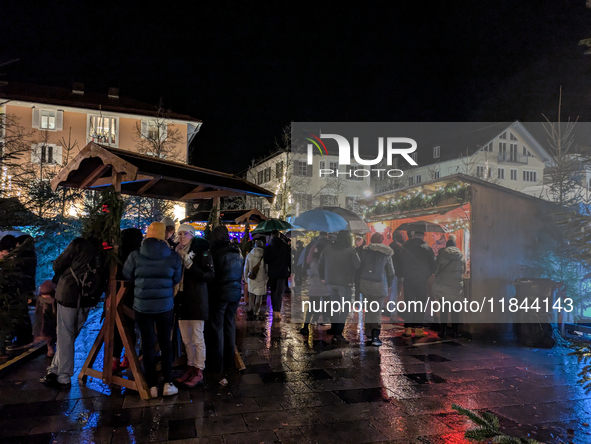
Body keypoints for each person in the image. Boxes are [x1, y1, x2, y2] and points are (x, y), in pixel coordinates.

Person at [122, 222, 182, 398]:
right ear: (164, 235)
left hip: (142, 306)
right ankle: (169, 383)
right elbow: (176, 278)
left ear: (148, 235)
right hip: (165, 306)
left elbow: (127, 275)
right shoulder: (172, 256)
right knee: (165, 342)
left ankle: (152, 386)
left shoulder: (135, 255)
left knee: (147, 344)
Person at [40, 234, 106, 387]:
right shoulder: (101, 251)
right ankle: (54, 370)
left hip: (69, 294)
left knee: (65, 335)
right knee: (70, 335)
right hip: (88, 297)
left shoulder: (78, 244)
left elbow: (58, 264)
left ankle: (63, 375)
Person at [174, 224, 214, 387]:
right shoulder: (177, 253)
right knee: (186, 338)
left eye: (185, 234)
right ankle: (190, 366)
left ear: (192, 235)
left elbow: (208, 276)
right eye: (179, 234)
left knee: (197, 337)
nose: (181, 237)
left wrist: (191, 265)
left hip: (197, 300)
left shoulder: (202, 252)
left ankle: (199, 369)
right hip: (182, 299)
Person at [208, 225, 244, 374]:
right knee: (229, 325)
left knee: (217, 327)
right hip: (235, 292)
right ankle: (229, 361)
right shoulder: (237, 250)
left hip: (220, 292)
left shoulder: (215, 251)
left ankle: (217, 363)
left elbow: (212, 274)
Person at [319, 230, 361, 344]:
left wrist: (322, 277)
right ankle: (338, 334)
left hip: (330, 282)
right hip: (345, 283)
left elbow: (320, 262)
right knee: (344, 309)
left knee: (335, 307)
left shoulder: (328, 248)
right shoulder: (350, 250)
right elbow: (357, 265)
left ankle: (334, 329)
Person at [113, 228, 143, 371]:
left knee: (116, 326)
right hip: (134, 295)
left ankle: (114, 358)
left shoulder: (117, 255)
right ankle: (128, 357)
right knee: (130, 326)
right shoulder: (138, 255)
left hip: (118, 294)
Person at [359, 233, 395, 346]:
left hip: (365, 284)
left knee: (368, 310)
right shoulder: (386, 254)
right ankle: (375, 336)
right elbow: (391, 272)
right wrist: (388, 285)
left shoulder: (364, 252)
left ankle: (368, 334)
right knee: (376, 312)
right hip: (379, 285)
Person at [400, 231, 436, 338]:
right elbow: (433, 264)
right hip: (421, 279)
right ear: (423, 235)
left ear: (412, 234)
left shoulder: (404, 247)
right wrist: (427, 274)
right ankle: (419, 328)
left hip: (408, 278)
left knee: (409, 302)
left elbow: (400, 262)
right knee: (420, 302)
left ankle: (407, 328)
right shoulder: (427, 248)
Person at [5, 235, 37, 352]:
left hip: (22, 288)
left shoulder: (24, 257)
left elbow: (22, 274)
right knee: (21, 312)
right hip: (24, 288)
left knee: (21, 313)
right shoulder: (29, 255)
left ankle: (24, 339)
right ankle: (23, 338)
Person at [432, 235, 466, 338]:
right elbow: (463, 271)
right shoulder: (461, 256)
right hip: (456, 287)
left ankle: (444, 330)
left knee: (444, 309)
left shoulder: (442, 255)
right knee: (455, 310)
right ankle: (455, 332)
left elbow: (436, 269)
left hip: (443, 286)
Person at [299, 237, 330, 335]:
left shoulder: (313, 261)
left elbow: (310, 273)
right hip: (326, 288)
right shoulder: (327, 262)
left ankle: (305, 327)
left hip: (315, 288)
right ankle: (332, 326)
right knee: (328, 306)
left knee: (311, 307)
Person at [264, 230, 291, 320]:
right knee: (280, 291)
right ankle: (277, 310)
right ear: (279, 236)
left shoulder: (269, 247)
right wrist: (290, 271)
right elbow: (289, 260)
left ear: (272, 236)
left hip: (272, 272)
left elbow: (266, 260)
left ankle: (274, 306)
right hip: (282, 272)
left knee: (273, 290)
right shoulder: (285, 246)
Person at [244, 239, 268, 317]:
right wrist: (267, 277)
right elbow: (267, 268)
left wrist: (245, 277)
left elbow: (246, 267)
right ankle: (256, 310)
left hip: (252, 277)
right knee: (259, 296)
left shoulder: (250, 255)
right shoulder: (264, 255)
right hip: (262, 278)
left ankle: (250, 308)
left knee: (251, 294)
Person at [33, 280, 57, 357]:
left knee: (51, 336)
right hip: (46, 322)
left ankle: (51, 348)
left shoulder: (53, 303)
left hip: (51, 322)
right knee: (49, 336)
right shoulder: (41, 302)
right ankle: (50, 349)